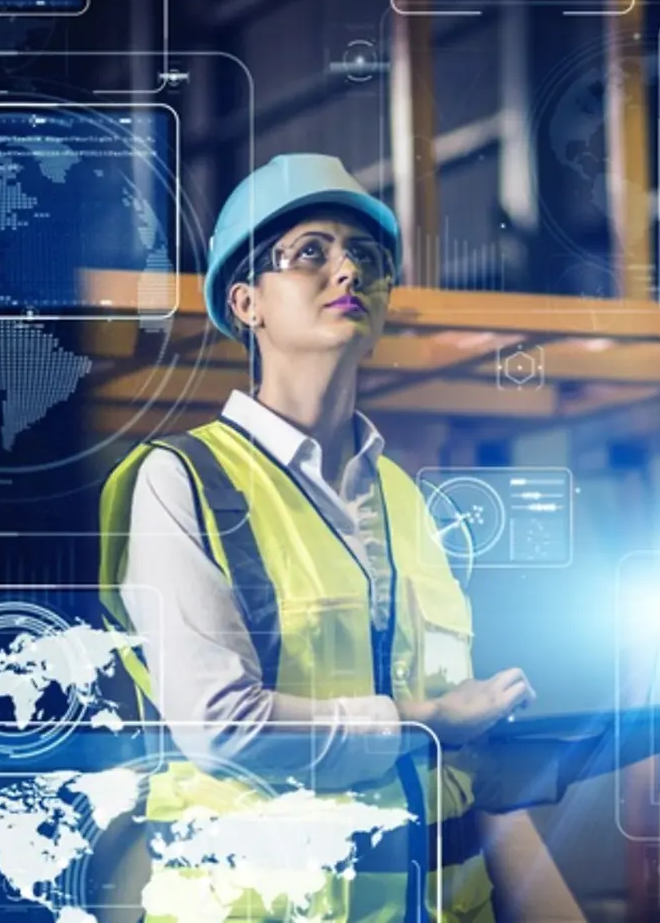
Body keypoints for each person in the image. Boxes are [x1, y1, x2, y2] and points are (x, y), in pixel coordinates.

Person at [97, 154, 584, 922]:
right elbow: (223, 727)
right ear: (246, 301)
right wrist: (422, 722)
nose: (347, 270)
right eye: (311, 252)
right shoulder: (182, 481)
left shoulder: (404, 500)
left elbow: (458, 759)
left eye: (368, 257)